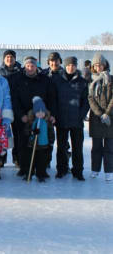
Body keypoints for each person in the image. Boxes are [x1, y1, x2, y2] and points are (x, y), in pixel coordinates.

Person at [11, 56, 57, 178]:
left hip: (41, 117)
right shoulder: (18, 79)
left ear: (36, 66)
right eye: (28, 66)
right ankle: (25, 169)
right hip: (25, 118)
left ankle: (42, 169)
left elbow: (52, 98)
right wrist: (21, 115)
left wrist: (50, 114)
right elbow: (14, 99)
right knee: (24, 144)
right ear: (24, 67)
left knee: (42, 145)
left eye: (32, 66)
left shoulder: (45, 80)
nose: (30, 68)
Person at [52, 56, 89, 180]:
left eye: (73, 65)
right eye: (68, 65)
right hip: (61, 119)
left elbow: (86, 102)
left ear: (76, 66)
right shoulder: (57, 80)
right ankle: (61, 170)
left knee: (77, 147)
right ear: (65, 66)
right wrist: (56, 115)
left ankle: (78, 171)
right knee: (61, 147)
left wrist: (81, 115)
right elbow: (54, 100)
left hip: (76, 120)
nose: (70, 67)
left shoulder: (82, 81)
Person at [88, 53, 113, 182]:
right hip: (96, 118)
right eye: (96, 65)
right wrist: (99, 113)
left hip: (110, 118)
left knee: (109, 147)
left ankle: (109, 171)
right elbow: (90, 98)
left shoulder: (111, 79)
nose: (98, 67)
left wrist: (107, 113)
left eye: (100, 65)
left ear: (105, 65)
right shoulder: (91, 80)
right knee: (96, 147)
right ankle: (95, 169)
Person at [22, 97, 55, 182]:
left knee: (42, 162)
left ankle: (41, 174)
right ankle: (29, 173)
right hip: (33, 145)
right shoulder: (31, 121)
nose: (40, 114)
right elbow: (26, 131)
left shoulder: (47, 122)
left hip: (43, 145)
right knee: (30, 161)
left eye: (42, 112)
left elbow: (51, 132)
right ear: (34, 112)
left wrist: (51, 142)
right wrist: (32, 132)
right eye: (38, 112)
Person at [0, 49, 22, 167]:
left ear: (15, 59)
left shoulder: (21, 71)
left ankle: (17, 158)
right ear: (4, 59)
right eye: (7, 57)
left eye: (11, 57)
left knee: (18, 134)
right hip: (3, 108)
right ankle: (1, 158)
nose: (9, 59)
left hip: (17, 106)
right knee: (2, 133)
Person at [42, 51, 63, 167]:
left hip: (61, 111)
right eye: (52, 60)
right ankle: (46, 161)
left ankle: (63, 165)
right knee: (48, 139)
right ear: (48, 62)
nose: (54, 63)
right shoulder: (44, 74)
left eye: (56, 60)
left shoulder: (65, 74)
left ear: (60, 61)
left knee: (63, 142)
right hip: (47, 111)